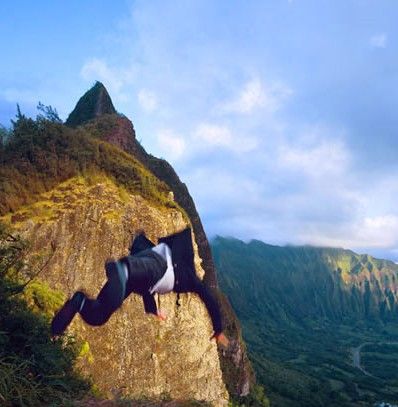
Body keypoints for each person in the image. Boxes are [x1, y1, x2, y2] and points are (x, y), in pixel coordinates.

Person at [51, 227, 229, 347]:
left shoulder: (161, 280)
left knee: (97, 316)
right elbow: (209, 298)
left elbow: (147, 290)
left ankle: (77, 303)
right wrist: (218, 328)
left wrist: (153, 310)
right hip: (154, 267)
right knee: (134, 272)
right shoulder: (190, 278)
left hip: (136, 280)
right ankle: (123, 268)